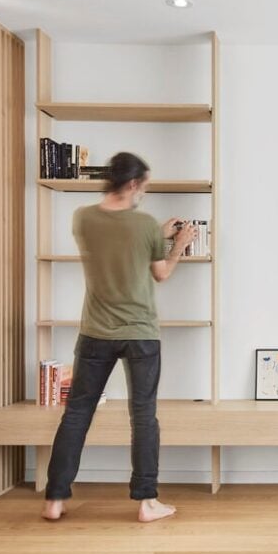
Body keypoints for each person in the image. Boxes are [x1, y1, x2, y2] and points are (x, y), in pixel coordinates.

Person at [41, 152, 197, 523]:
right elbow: (161, 273)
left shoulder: (83, 218)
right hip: (140, 333)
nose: (144, 193)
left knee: (77, 413)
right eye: (144, 186)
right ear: (132, 184)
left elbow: (115, 246)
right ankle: (147, 501)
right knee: (143, 416)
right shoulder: (144, 225)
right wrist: (178, 243)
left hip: (95, 331)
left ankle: (55, 499)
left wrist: (154, 236)